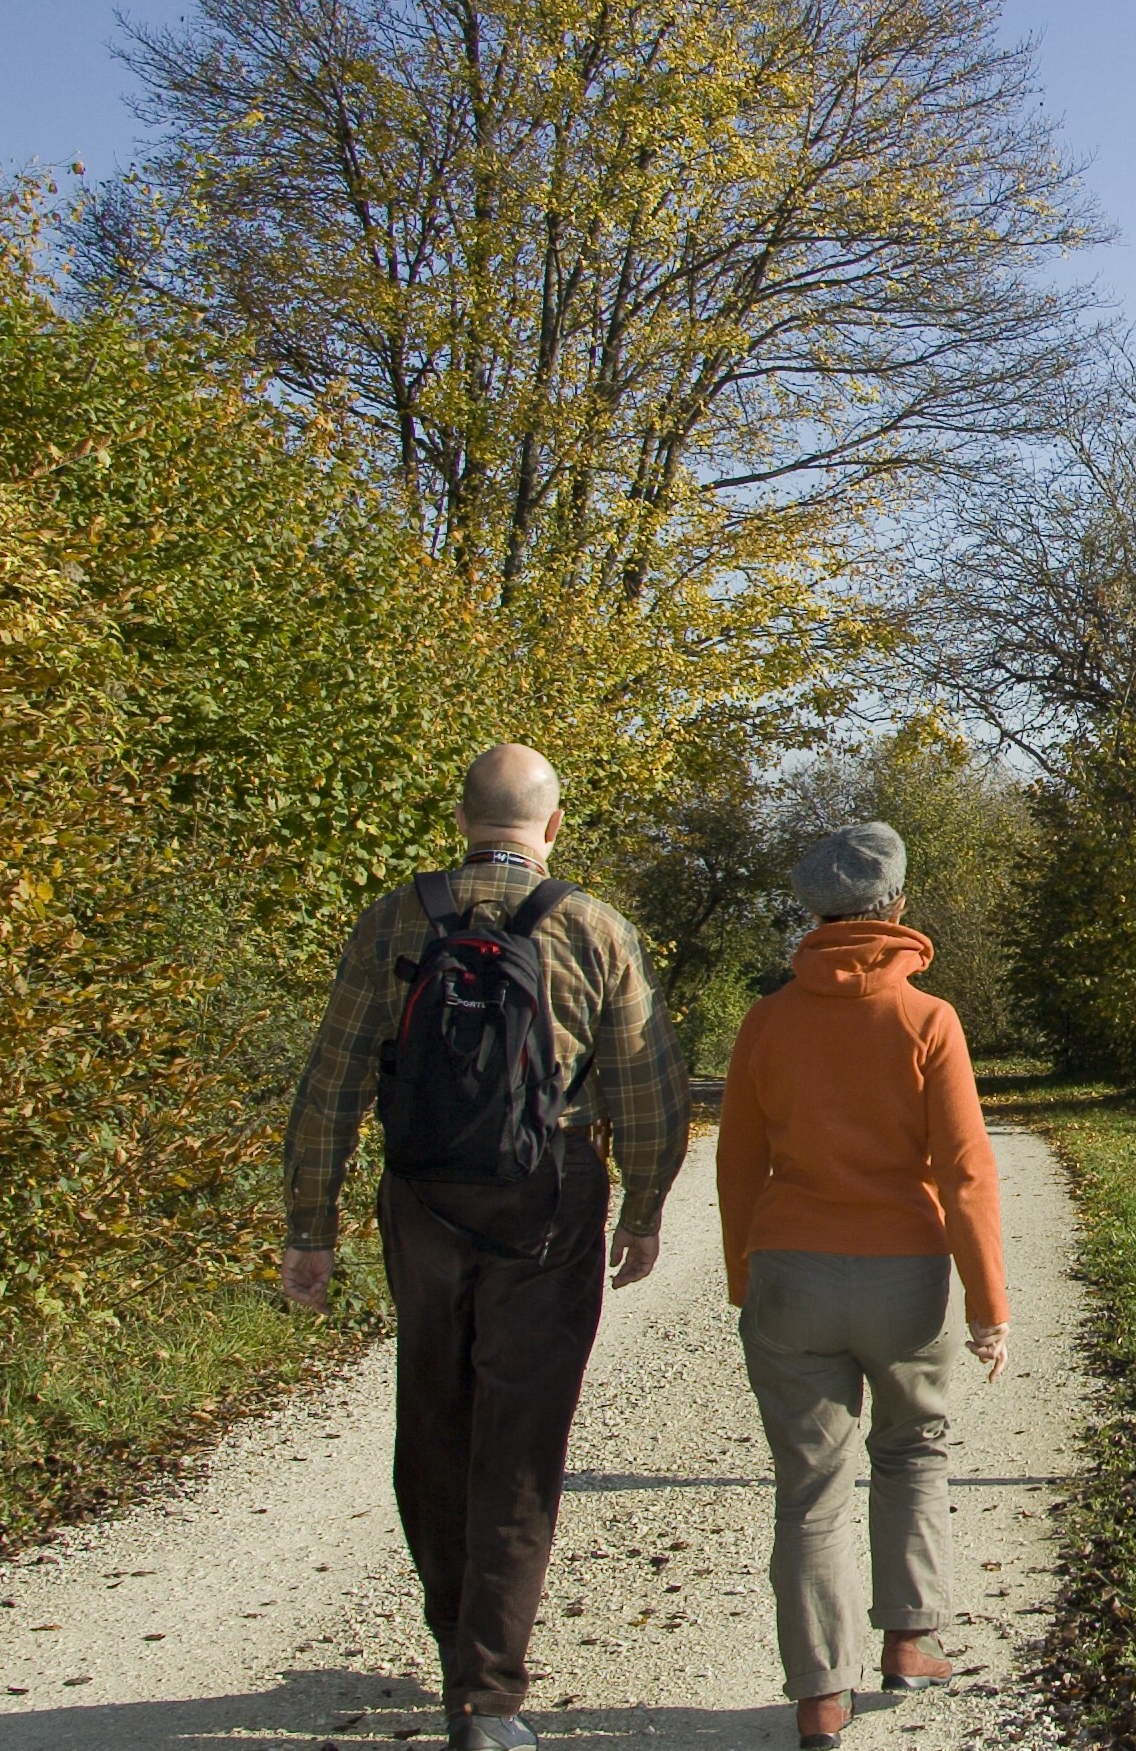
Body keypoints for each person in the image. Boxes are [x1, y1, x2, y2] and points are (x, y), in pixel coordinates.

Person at [282, 744, 688, 1751]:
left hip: (420, 1196)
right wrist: (643, 1207)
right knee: (521, 1433)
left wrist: (310, 1226)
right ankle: (487, 1693)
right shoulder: (593, 927)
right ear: (550, 827)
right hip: (548, 1193)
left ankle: (451, 1631)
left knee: (431, 1410)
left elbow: (331, 1082)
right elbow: (646, 1087)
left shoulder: (393, 919)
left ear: (462, 818)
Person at [718, 822, 1009, 1751]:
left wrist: (743, 1272)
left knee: (808, 1489)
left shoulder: (766, 1022)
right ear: (898, 910)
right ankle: (910, 1639)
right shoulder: (928, 1021)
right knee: (913, 1448)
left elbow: (736, 1166)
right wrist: (989, 1308)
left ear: (814, 913)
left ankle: (818, 1697)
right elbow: (965, 1173)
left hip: (793, 1272)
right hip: (904, 1277)